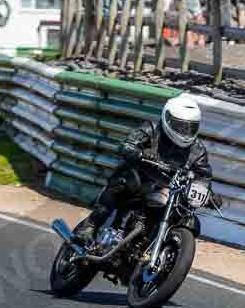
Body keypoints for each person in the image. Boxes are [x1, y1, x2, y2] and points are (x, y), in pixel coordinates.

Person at [75, 94, 212, 243]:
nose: (186, 132)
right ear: (168, 120)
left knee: (183, 212)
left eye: (191, 128)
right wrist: (139, 153)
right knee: (123, 182)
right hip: (140, 178)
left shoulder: (197, 150)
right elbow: (127, 144)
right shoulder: (152, 129)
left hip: (169, 189)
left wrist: (206, 190)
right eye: (181, 126)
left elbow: (203, 174)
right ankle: (91, 224)